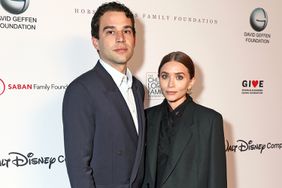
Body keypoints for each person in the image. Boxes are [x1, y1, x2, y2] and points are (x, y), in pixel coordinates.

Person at [63, 2, 145, 188]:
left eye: (127, 31)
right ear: (95, 41)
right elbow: (78, 168)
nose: (120, 38)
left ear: (134, 39)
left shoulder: (138, 88)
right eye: (110, 31)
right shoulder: (81, 90)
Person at [142, 51, 227, 188]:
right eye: (165, 76)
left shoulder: (210, 121)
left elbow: (216, 180)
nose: (170, 84)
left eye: (179, 77)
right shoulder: (146, 117)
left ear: (191, 82)